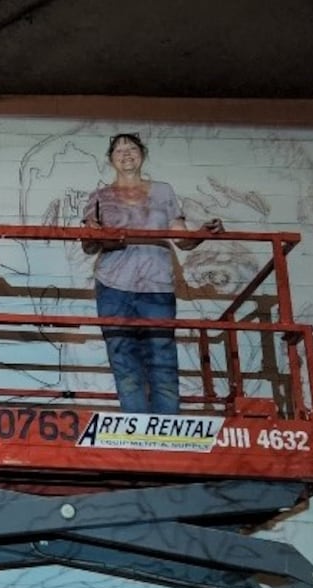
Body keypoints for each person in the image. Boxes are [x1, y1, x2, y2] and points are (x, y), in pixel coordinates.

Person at [80, 132, 222, 415]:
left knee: (162, 360)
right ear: (110, 160)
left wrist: (204, 233)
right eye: (119, 150)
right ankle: (138, 435)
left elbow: (182, 239)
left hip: (156, 287)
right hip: (113, 287)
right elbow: (88, 244)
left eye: (131, 148)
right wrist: (96, 234)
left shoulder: (163, 191)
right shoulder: (99, 197)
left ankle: (167, 431)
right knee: (124, 362)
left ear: (142, 155)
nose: (126, 154)